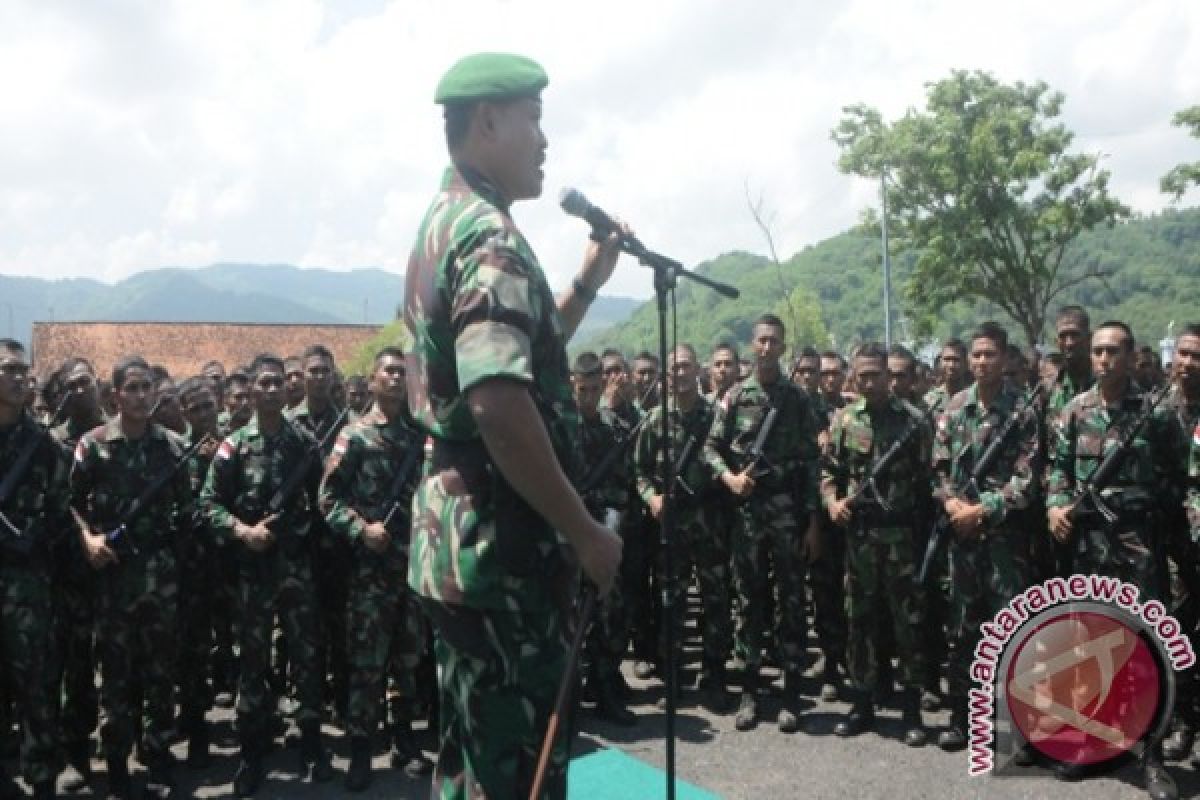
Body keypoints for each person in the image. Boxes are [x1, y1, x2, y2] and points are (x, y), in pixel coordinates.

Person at [402, 52, 623, 799]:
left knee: (473, 763)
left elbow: (501, 365)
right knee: (520, 774)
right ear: (487, 121)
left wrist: (586, 285)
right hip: (502, 553)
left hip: (458, 545)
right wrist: (586, 532)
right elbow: (498, 403)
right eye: (532, 118)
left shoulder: (444, 224)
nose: (544, 139)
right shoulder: (489, 237)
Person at [1046, 320, 1183, 798]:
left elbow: (1176, 475)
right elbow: (1058, 470)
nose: (1104, 359)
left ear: (1129, 356)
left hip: (1138, 547)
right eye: (1099, 351)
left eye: (1113, 351)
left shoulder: (1157, 413)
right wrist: (1056, 508)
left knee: (1146, 648)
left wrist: (1149, 516)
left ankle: (1152, 756)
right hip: (1088, 546)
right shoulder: (1073, 411)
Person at [201, 353, 333, 797]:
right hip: (253, 570)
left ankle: (311, 743)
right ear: (251, 391)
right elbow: (208, 504)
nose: (273, 389)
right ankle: (252, 752)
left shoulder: (305, 443)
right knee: (252, 661)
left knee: (306, 655)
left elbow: (325, 499)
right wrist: (241, 530)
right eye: (264, 383)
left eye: (279, 382)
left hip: (296, 566)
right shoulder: (233, 445)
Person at [69, 355, 192, 799]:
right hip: (113, 577)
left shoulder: (174, 447)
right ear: (116, 394)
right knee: (116, 673)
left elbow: (190, 510)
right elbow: (68, 503)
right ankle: (117, 760)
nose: (143, 396)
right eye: (134, 388)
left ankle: (157, 755)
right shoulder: (94, 444)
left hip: (160, 577)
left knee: (160, 673)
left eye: (148, 388)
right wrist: (88, 540)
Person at [319, 347, 432, 791]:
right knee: (366, 664)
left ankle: (404, 740)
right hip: (370, 572)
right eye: (389, 371)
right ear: (372, 379)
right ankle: (362, 748)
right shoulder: (355, 436)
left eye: (403, 373)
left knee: (408, 658)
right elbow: (327, 499)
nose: (396, 379)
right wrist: (361, 528)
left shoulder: (420, 435)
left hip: (411, 568)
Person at [703, 313, 822, 733]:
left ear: (783, 347)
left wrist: (811, 522)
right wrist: (729, 477)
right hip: (749, 514)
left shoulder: (798, 400)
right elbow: (711, 448)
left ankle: (791, 691)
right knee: (748, 601)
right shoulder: (735, 397)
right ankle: (750, 689)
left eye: (775, 341)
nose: (767, 347)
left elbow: (812, 461)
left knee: (791, 601)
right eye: (761, 341)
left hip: (788, 512)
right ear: (751, 346)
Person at [930, 323, 1038, 752]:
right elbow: (939, 469)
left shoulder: (1023, 411)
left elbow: (1028, 479)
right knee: (963, 631)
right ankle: (963, 717)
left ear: (1005, 358)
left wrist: (984, 509)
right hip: (963, 541)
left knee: (1013, 630)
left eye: (989, 354)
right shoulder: (954, 408)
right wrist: (953, 505)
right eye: (975, 355)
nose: (980, 362)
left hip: (1005, 541)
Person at [821, 342, 932, 747]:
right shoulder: (845, 421)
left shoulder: (914, 422)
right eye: (862, 375)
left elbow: (928, 480)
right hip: (861, 538)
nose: (870, 382)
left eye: (877, 374)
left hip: (902, 537)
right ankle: (862, 703)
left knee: (908, 623)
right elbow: (829, 471)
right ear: (855, 377)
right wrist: (832, 502)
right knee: (861, 620)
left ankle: (912, 709)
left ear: (889, 375)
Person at [634, 344, 732, 712]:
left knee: (715, 600)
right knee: (670, 602)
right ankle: (672, 677)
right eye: (674, 367)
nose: (681, 373)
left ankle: (715, 674)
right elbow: (640, 472)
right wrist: (652, 498)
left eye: (687, 366)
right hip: (671, 522)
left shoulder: (714, 416)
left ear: (698, 370)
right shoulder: (656, 419)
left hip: (709, 519)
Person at [0, 340, 68, 800]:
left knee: (38, 685)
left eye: (24, 371)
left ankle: (42, 774)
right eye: (8, 370)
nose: (20, 378)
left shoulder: (43, 443)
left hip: (27, 581)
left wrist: (32, 536)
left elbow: (61, 508)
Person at [48, 357, 106, 792]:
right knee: (75, 664)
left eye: (87, 381)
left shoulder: (120, 432)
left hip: (119, 567)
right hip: (69, 569)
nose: (82, 389)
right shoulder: (50, 443)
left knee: (126, 661)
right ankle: (76, 753)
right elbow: (55, 501)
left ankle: (132, 746)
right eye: (73, 384)